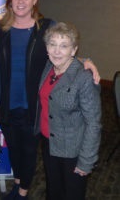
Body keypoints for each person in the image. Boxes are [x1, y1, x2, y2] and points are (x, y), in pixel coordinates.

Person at [0, 0, 100, 200]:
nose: (21, 1)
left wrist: (85, 60)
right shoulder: (0, 29)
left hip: (37, 104)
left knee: (30, 152)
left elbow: (64, 51)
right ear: (10, 1)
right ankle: (18, 182)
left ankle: (22, 192)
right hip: (8, 104)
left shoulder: (46, 26)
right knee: (15, 150)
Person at [36, 22, 101, 200]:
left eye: (64, 46)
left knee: (72, 194)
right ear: (47, 48)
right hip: (49, 142)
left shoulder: (84, 78)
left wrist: (86, 160)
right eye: (53, 44)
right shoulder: (49, 66)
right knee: (53, 190)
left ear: (74, 50)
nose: (57, 51)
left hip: (72, 150)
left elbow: (94, 123)